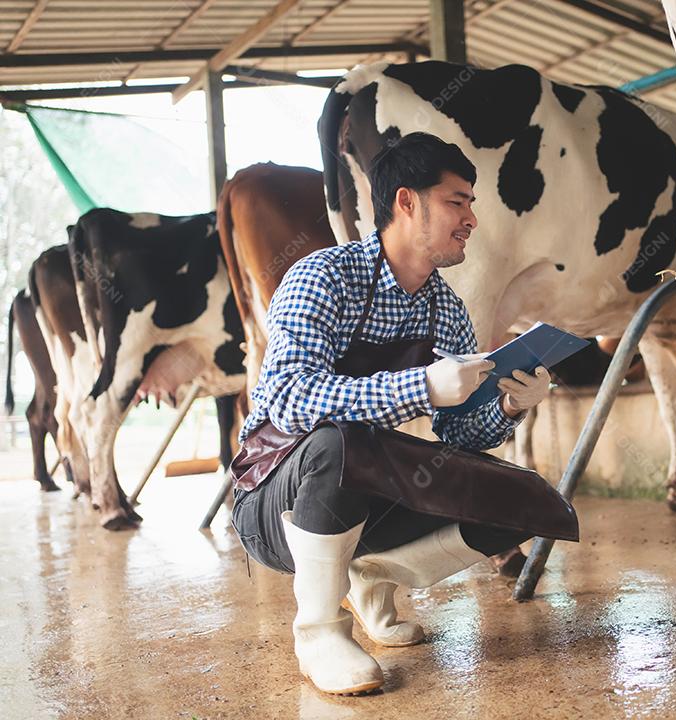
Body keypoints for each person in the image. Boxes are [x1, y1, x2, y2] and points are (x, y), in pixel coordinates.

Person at [229, 132, 577, 696]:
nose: (471, 219)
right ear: (407, 202)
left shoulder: (446, 310)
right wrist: (422, 385)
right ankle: (319, 632)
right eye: (457, 202)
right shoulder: (323, 277)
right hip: (274, 492)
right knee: (336, 445)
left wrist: (510, 403)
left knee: (522, 500)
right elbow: (290, 399)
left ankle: (369, 574)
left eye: (471, 204)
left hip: (363, 484)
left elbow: (460, 433)